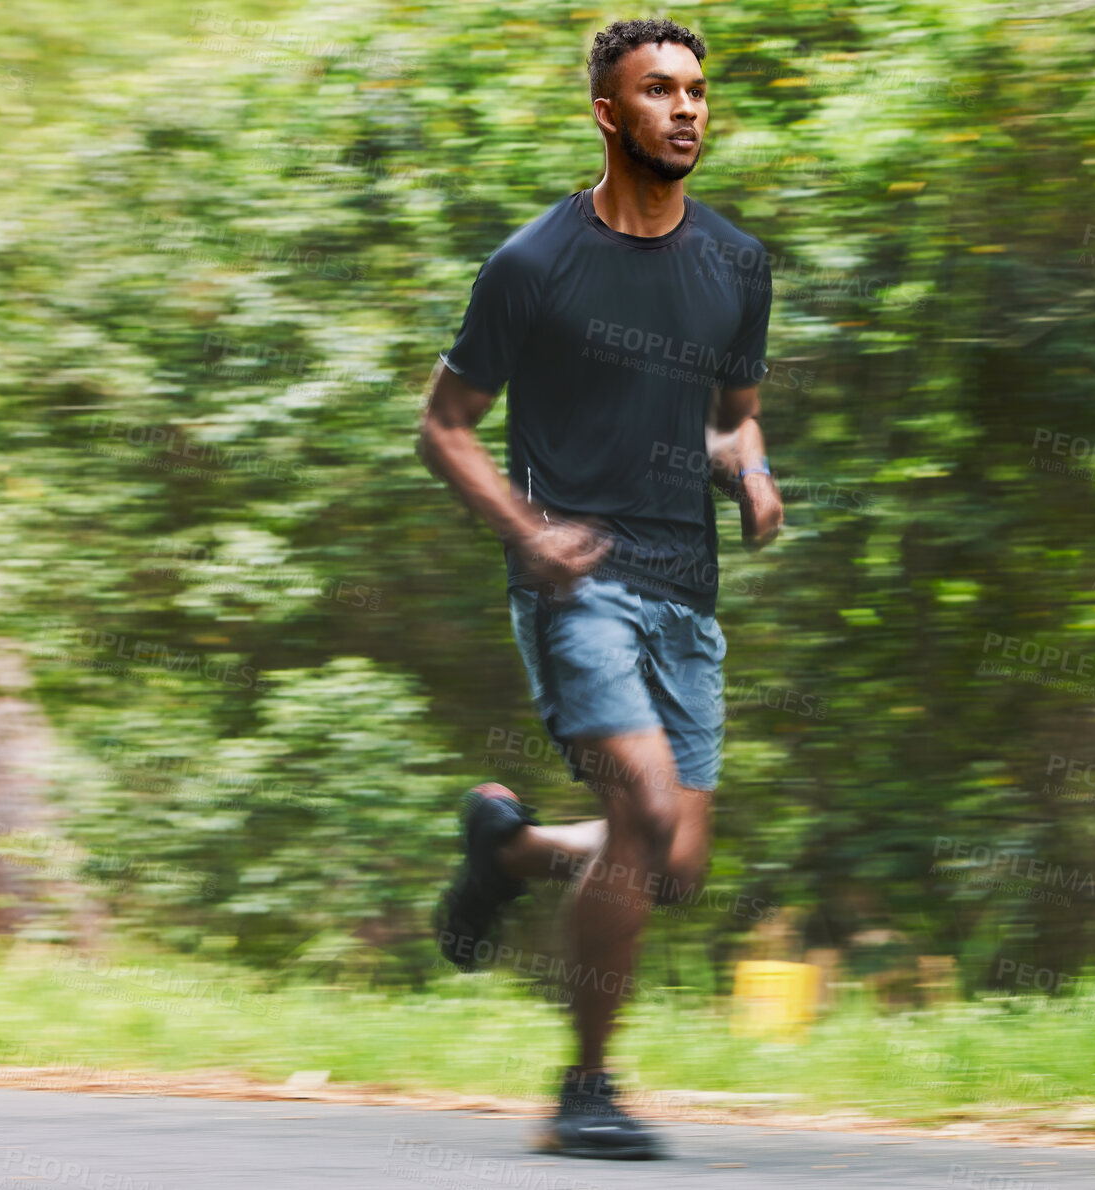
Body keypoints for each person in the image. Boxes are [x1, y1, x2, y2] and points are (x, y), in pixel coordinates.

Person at [418, 16, 781, 1161]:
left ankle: (513, 851)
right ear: (607, 113)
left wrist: (755, 472)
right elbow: (446, 428)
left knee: (674, 865)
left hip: (687, 587)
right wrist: (525, 533)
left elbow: (733, 416)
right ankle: (585, 1086)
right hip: (578, 582)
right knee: (647, 806)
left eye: (697, 90)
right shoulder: (534, 264)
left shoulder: (736, 264)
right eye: (659, 90)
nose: (686, 108)